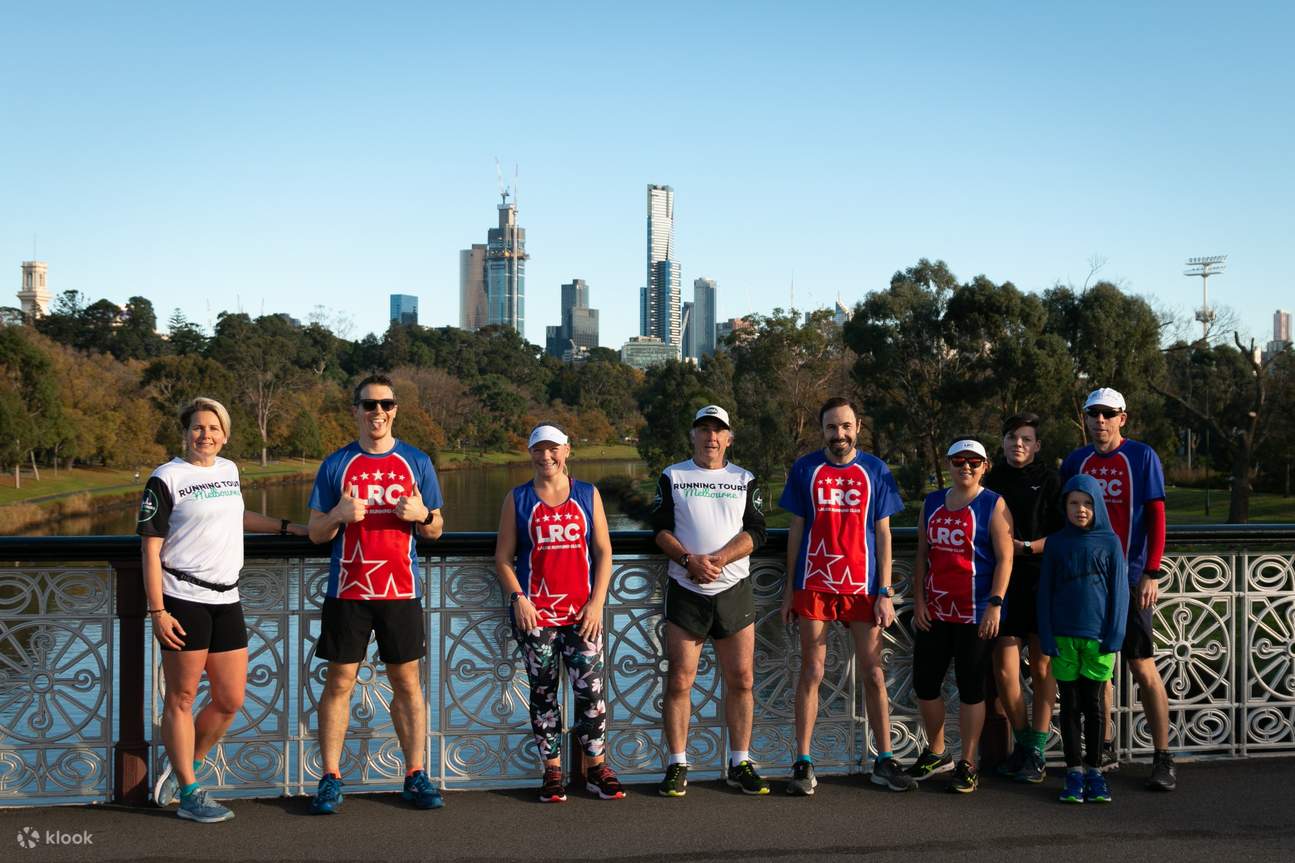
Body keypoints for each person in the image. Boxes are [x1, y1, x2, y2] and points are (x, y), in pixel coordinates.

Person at [141, 397, 307, 823]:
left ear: (225, 434)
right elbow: (151, 546)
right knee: (180, 697)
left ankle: (183, 770)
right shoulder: (167, 478)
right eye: (198, 427)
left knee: (230, 699)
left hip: (227, 599)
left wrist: (290, 528)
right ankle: (191, 793)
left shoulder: (229, 470)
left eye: (213, 428)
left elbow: (236, 516)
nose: (206, 435)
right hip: (183, 598)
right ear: (185, 433)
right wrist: (158, 610)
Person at [306, 374, 445, 814]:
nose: (377, 412)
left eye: (385, 404)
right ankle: (330, 777)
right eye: (369, 405)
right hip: (349, 591)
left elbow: (437, 528)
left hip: (401, 591)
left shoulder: (417, 461)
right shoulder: (336, 464)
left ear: (395, 410)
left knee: (407, 683)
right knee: (340, 682)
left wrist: (423, 515)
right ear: (356, 411)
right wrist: (339, 514)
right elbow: (314, 532)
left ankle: (415, 774)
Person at [778, 397, 915, 795]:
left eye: (846, 427)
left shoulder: (876, 469)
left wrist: (885, 591)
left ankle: (885, 760)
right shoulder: (806, 468)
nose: (839, 435)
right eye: (831, 428)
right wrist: (789, 588)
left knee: (874, 673)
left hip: (863, 586)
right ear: (821, 430)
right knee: (813, 671)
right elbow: (796, 530)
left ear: (858, 426)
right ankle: (803, 762)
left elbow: (885, 534)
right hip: (815, 582)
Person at [493, 423, 624, 802]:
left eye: (553, 449)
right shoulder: (517, 499)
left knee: (591, 693)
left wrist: (597, 602)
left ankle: (597, 769)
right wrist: (519, 598)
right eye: (539, 449)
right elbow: (502, 558)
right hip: (537, 617)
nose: (546, 456)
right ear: (530, 453)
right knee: (544, 693)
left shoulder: (587, 494)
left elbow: (603, 552)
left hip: (583, 615)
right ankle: (552, 773)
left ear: (567, 451)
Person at [1060, 387, 1174, 791]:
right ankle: (1102, 749)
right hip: (1089, 589)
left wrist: (1152, 572)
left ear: (1122, 418)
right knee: (1098, 674)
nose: (1100, 421)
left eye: (1108, 414)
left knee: (1142, 667)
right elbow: (1066, 521)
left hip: (1129, 581)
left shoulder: (1141, 457)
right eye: (1093, 414)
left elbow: (1157, 516)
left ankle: (1163, 756)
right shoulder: (1077, 461)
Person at [651, 405, 768, 797]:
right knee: (680, 680)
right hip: (687, 590)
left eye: (719, 431)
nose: (711, 437)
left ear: (729, 438)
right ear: (693, 435)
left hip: (733, 589)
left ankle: (740, 761)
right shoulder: (673, 475)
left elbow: (757, 530)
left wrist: (719, 560)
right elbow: (660, 528)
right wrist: (688, 560)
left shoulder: (745, 478)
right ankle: (677, 763)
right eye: (704, 429)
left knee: (742, 679)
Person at [908, 439, 1013, 793]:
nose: (965, 467)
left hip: (976, 613)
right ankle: (938, 751)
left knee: (971, 689)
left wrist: (995, 603)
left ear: (985, 466)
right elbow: (922, 554)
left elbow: (1005, 557)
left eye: (974, 461)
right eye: (958, 461)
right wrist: (919, 601)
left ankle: (968, 761)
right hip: (936, 611)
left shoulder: (992, 504)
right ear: (949, 464)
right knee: (925, 683)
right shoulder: (933, 502)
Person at [983, 412, 1064, 783]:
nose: (1018, 444)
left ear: (1037, 445)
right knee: (1004, 668)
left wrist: (1027, 547)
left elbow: (1065, 534)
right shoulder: (992, 480)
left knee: (1043, 665)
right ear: (1003, 441)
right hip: (1002, 583)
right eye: (1013, 437)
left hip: (1042, 580)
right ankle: (1024, 744)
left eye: (1026, 439)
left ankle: (1037, 749)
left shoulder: (1050, 480)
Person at [1038, 475, 1128, 804]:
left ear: (1098, 506)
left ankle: (1096, 771)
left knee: (1094, 707)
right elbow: (1045, 591)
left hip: (1098, 639)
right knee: (1070, 707)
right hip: (1063, 638)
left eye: (1088, 503)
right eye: (1074, 503)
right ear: (1065, 506)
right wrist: (1046, 635)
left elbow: (1120, 592)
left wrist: (1115, 633)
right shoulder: (1058, 543)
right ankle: (1073, 771)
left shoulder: (1110, 542)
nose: (1081, 509)